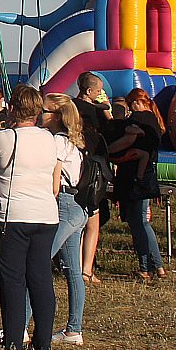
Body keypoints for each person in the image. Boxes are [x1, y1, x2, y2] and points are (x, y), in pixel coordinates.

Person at [0, 85, 61, 350]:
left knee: (13, 281)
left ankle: (13, 341)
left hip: (13, 216)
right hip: (45, 215)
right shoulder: (49, 138)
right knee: (41, 278)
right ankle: (44, 341)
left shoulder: (3, 138)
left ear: (13, 108)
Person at [28, 92, 88, 346]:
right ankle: (74, 328)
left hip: (63, 204)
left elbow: (54, 182)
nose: (41, 114)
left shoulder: (57, 143)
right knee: (72, 270)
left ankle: (20, 325)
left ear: (57, 116)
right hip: (76, 205)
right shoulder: (72, 141)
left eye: (45, 110)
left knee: (37, 263)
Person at [109, 88, 166, 281]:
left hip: (133, 174)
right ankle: (157, 265)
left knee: (137, 223)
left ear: (135, 103)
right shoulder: (155, 120)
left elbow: (128, 139)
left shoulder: (139, 118)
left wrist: (110, 150)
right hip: (148, 172)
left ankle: (145, 266)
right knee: (143, 221)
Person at [72, 73, 110, 284]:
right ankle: (86, 269)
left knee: (76, 224)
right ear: (89, 92)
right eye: (98, 91)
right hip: (91, 172)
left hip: (74, 172)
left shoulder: (70, 109)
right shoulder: (93, 114)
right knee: (92, 223)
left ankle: (76, 266)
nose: (100, 94)